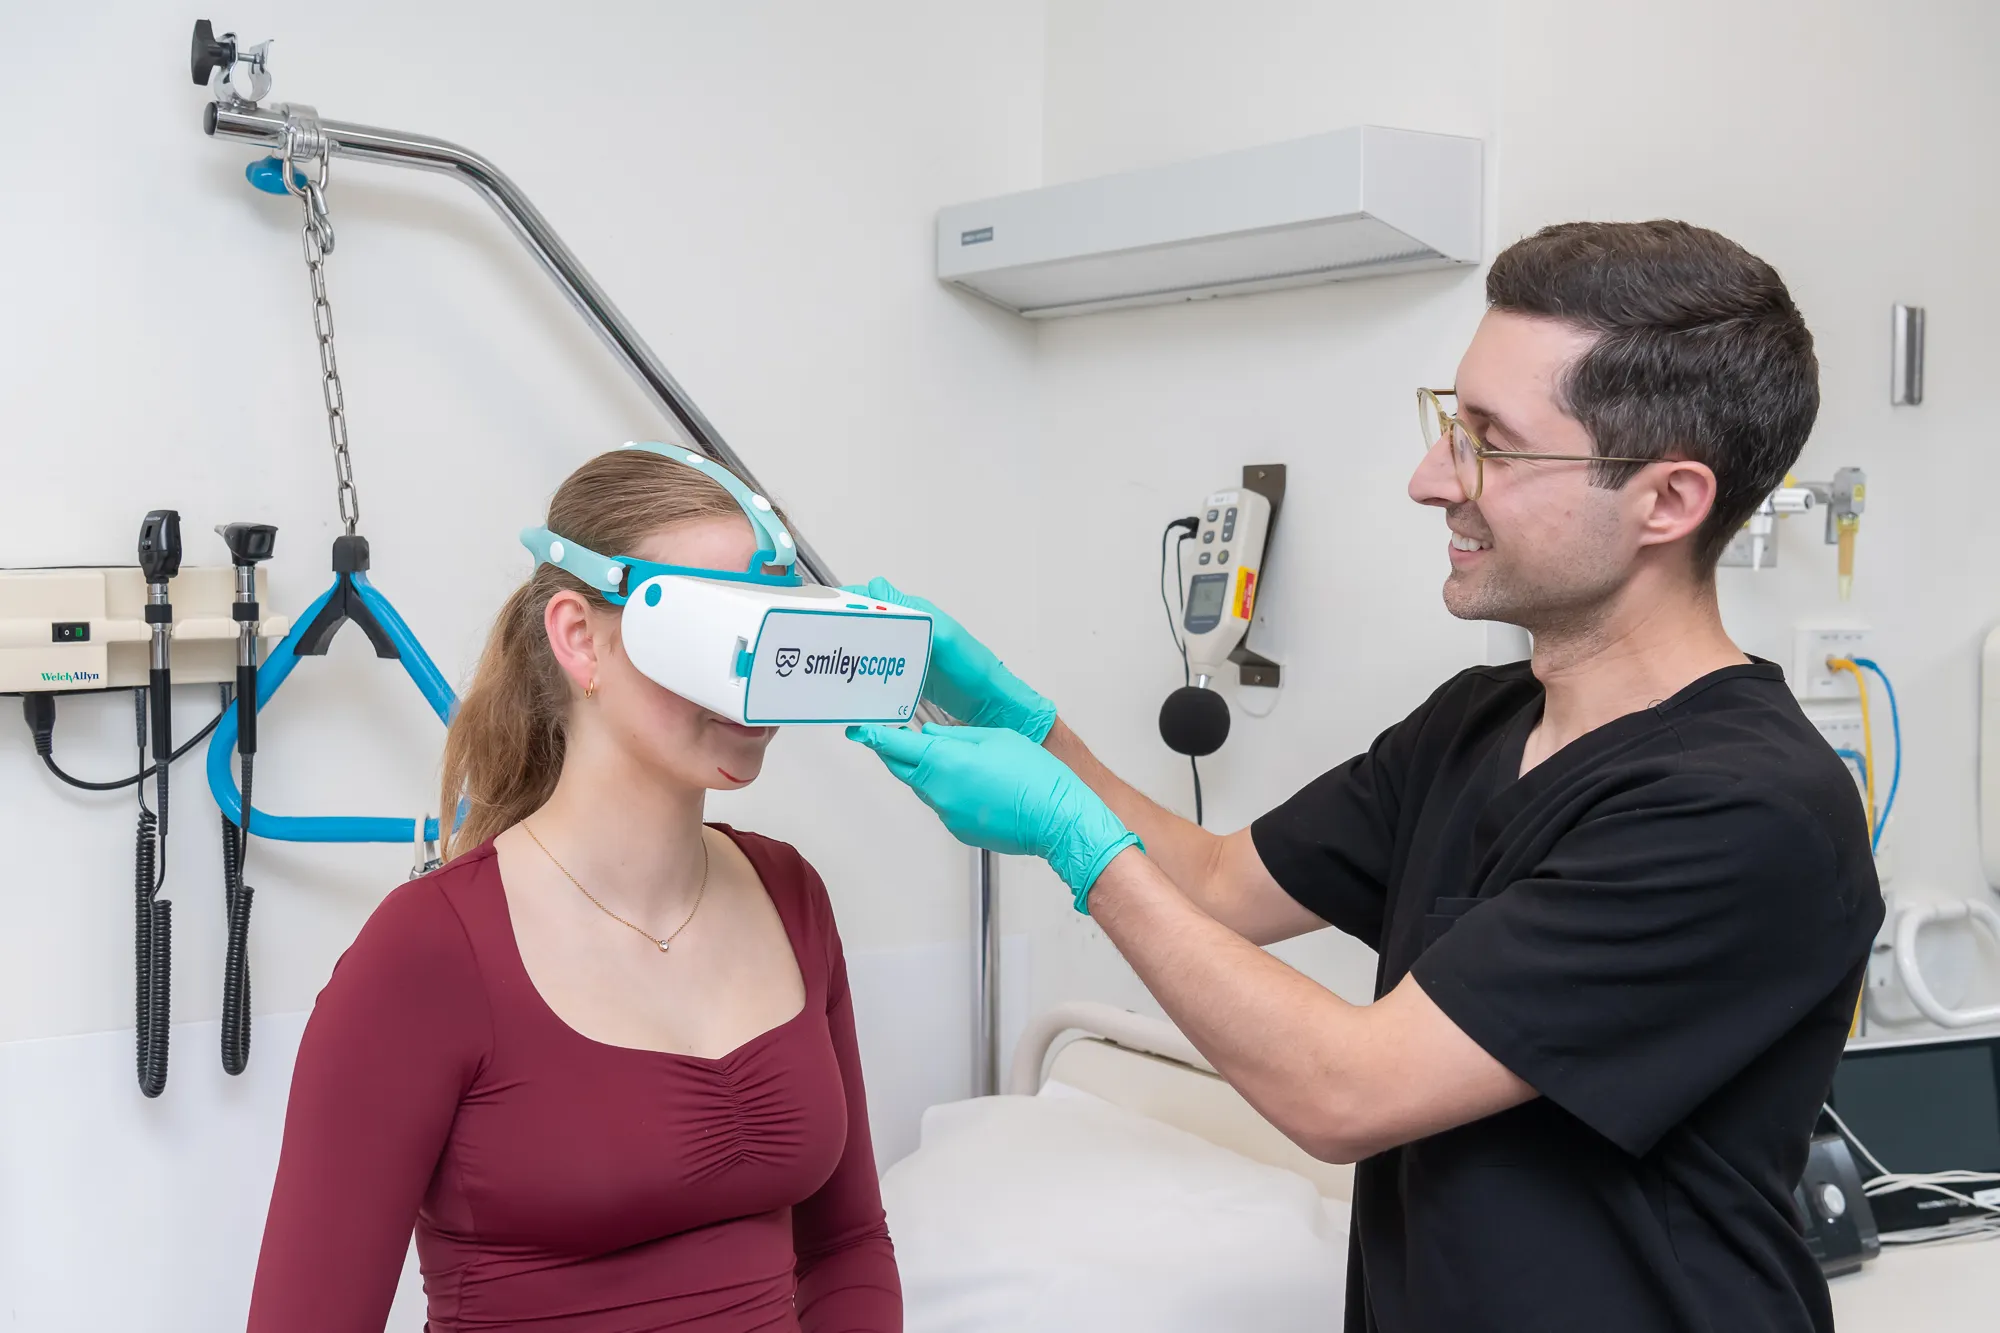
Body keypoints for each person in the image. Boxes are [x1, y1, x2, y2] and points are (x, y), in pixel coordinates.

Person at [847, 220, 1882, 1333]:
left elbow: (1346, 1090)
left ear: (1666, 501)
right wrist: (1026, 728)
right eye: (1450, 423)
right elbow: (1215, 885)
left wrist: (1070, 838)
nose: (1431, 480)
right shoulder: (1475, 722)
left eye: (1492, 443)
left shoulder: (1745, 811)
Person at [249, 447, 901, 1332]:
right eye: (713, 636)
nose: (750, 688)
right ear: (580, 638)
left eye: (772, 635)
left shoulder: (791, 897)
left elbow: (848, 1243)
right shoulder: (427, 952)